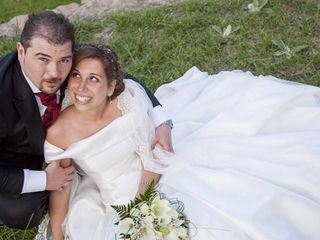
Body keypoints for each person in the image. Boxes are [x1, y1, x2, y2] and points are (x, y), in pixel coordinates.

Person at [37, 44, 320, 240]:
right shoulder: (60, 131)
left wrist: (140, 205)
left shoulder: (127, 101)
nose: (81, 88)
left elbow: (153, 156)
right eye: (76, 76)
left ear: (111, 87)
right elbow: (62, 183)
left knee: (216, 218)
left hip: (156, 176)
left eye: (93, 79)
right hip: (113, 199)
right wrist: (59, 234)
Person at [0, 11, 173, 230]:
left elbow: (122, 79)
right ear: (21, 51)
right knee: (22, 212)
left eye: (64, 60)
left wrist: (162, 121)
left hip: (66, 141)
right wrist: (45, 180)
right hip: (13, 156)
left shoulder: (65, 54)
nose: (54, 73)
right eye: (43, 59)